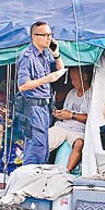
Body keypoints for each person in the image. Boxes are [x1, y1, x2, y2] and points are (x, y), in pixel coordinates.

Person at [17, 21, 65, 165]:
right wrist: (46, 79)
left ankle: (37, 180)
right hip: (33, 107)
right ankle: (28, 181)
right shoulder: (27, 56)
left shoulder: (44, 55)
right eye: (44, 35)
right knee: (35, 147)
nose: (48, 38)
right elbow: (23, 85)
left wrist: (56, 55)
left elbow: (60, 69)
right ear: (34, 37)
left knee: (43, 147)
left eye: (50, 35)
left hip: (44, 107)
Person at [48, 67, 92, 172]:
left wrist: (72, 115)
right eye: (72, 79)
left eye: (75, 79)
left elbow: (91, 119)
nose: (72, 82)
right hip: (63, 127)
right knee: (44, 140)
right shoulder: (71, 93)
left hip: (79, 130)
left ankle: (66, 172)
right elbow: (65, 111)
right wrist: (59, 114)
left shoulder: (92, 94)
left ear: (84, 77)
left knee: (79, 144)